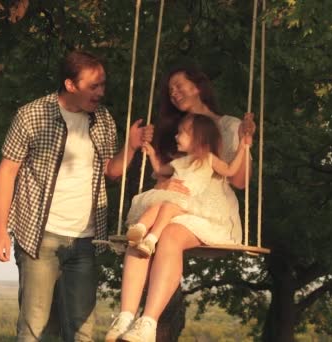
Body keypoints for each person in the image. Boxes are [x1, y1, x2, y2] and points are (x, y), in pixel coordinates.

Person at [0, 50, 153, 342]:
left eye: (103, 84)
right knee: (36, 329)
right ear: (70, 85)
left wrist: (131, 146)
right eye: (94, 86)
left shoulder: (103, 119)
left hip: (86, 240)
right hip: (39, 237)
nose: (101, 92)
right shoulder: (31, 115)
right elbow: (7, 171)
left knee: (82, 331)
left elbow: (111, 171)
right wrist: (0, 230)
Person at [105, 66, 255, 342]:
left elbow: (240, 181)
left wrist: (246, 143)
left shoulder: (229, 126)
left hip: (210, 212)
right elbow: (163, 174)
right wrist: (160, 177)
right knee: (141, 237)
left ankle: (148, 322)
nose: (173, 94)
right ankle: (126, 317)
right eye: (169, 90)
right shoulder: (176, 132)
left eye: (178, 86)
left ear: (198, 86)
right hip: (173, 203)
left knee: (170, 234)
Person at [124, 113, 250, 257]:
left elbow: (230, 170)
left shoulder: (208, 158)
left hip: (191, 201)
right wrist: (152, 154)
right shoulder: (180, 161)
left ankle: (151, 239)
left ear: (198, 138)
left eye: (181, 133)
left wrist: (242, 148)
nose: (176, 136)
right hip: (172, 197)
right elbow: (160, 170)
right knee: (156, 206)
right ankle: (139, 229)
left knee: (167, 207)